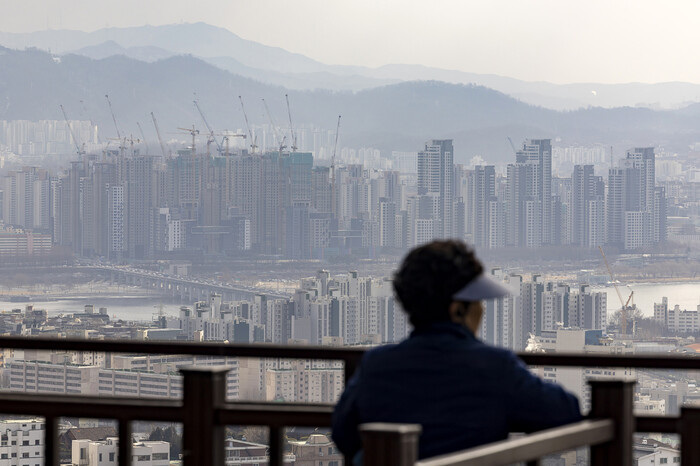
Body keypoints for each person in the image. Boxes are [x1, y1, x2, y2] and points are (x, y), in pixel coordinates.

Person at [332, 240, 581, 461]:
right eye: (476, 301)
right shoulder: (494, 367)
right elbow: (564, 411)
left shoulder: (377, 363)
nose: (482, 309)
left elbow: (343, 432)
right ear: (457, 310)